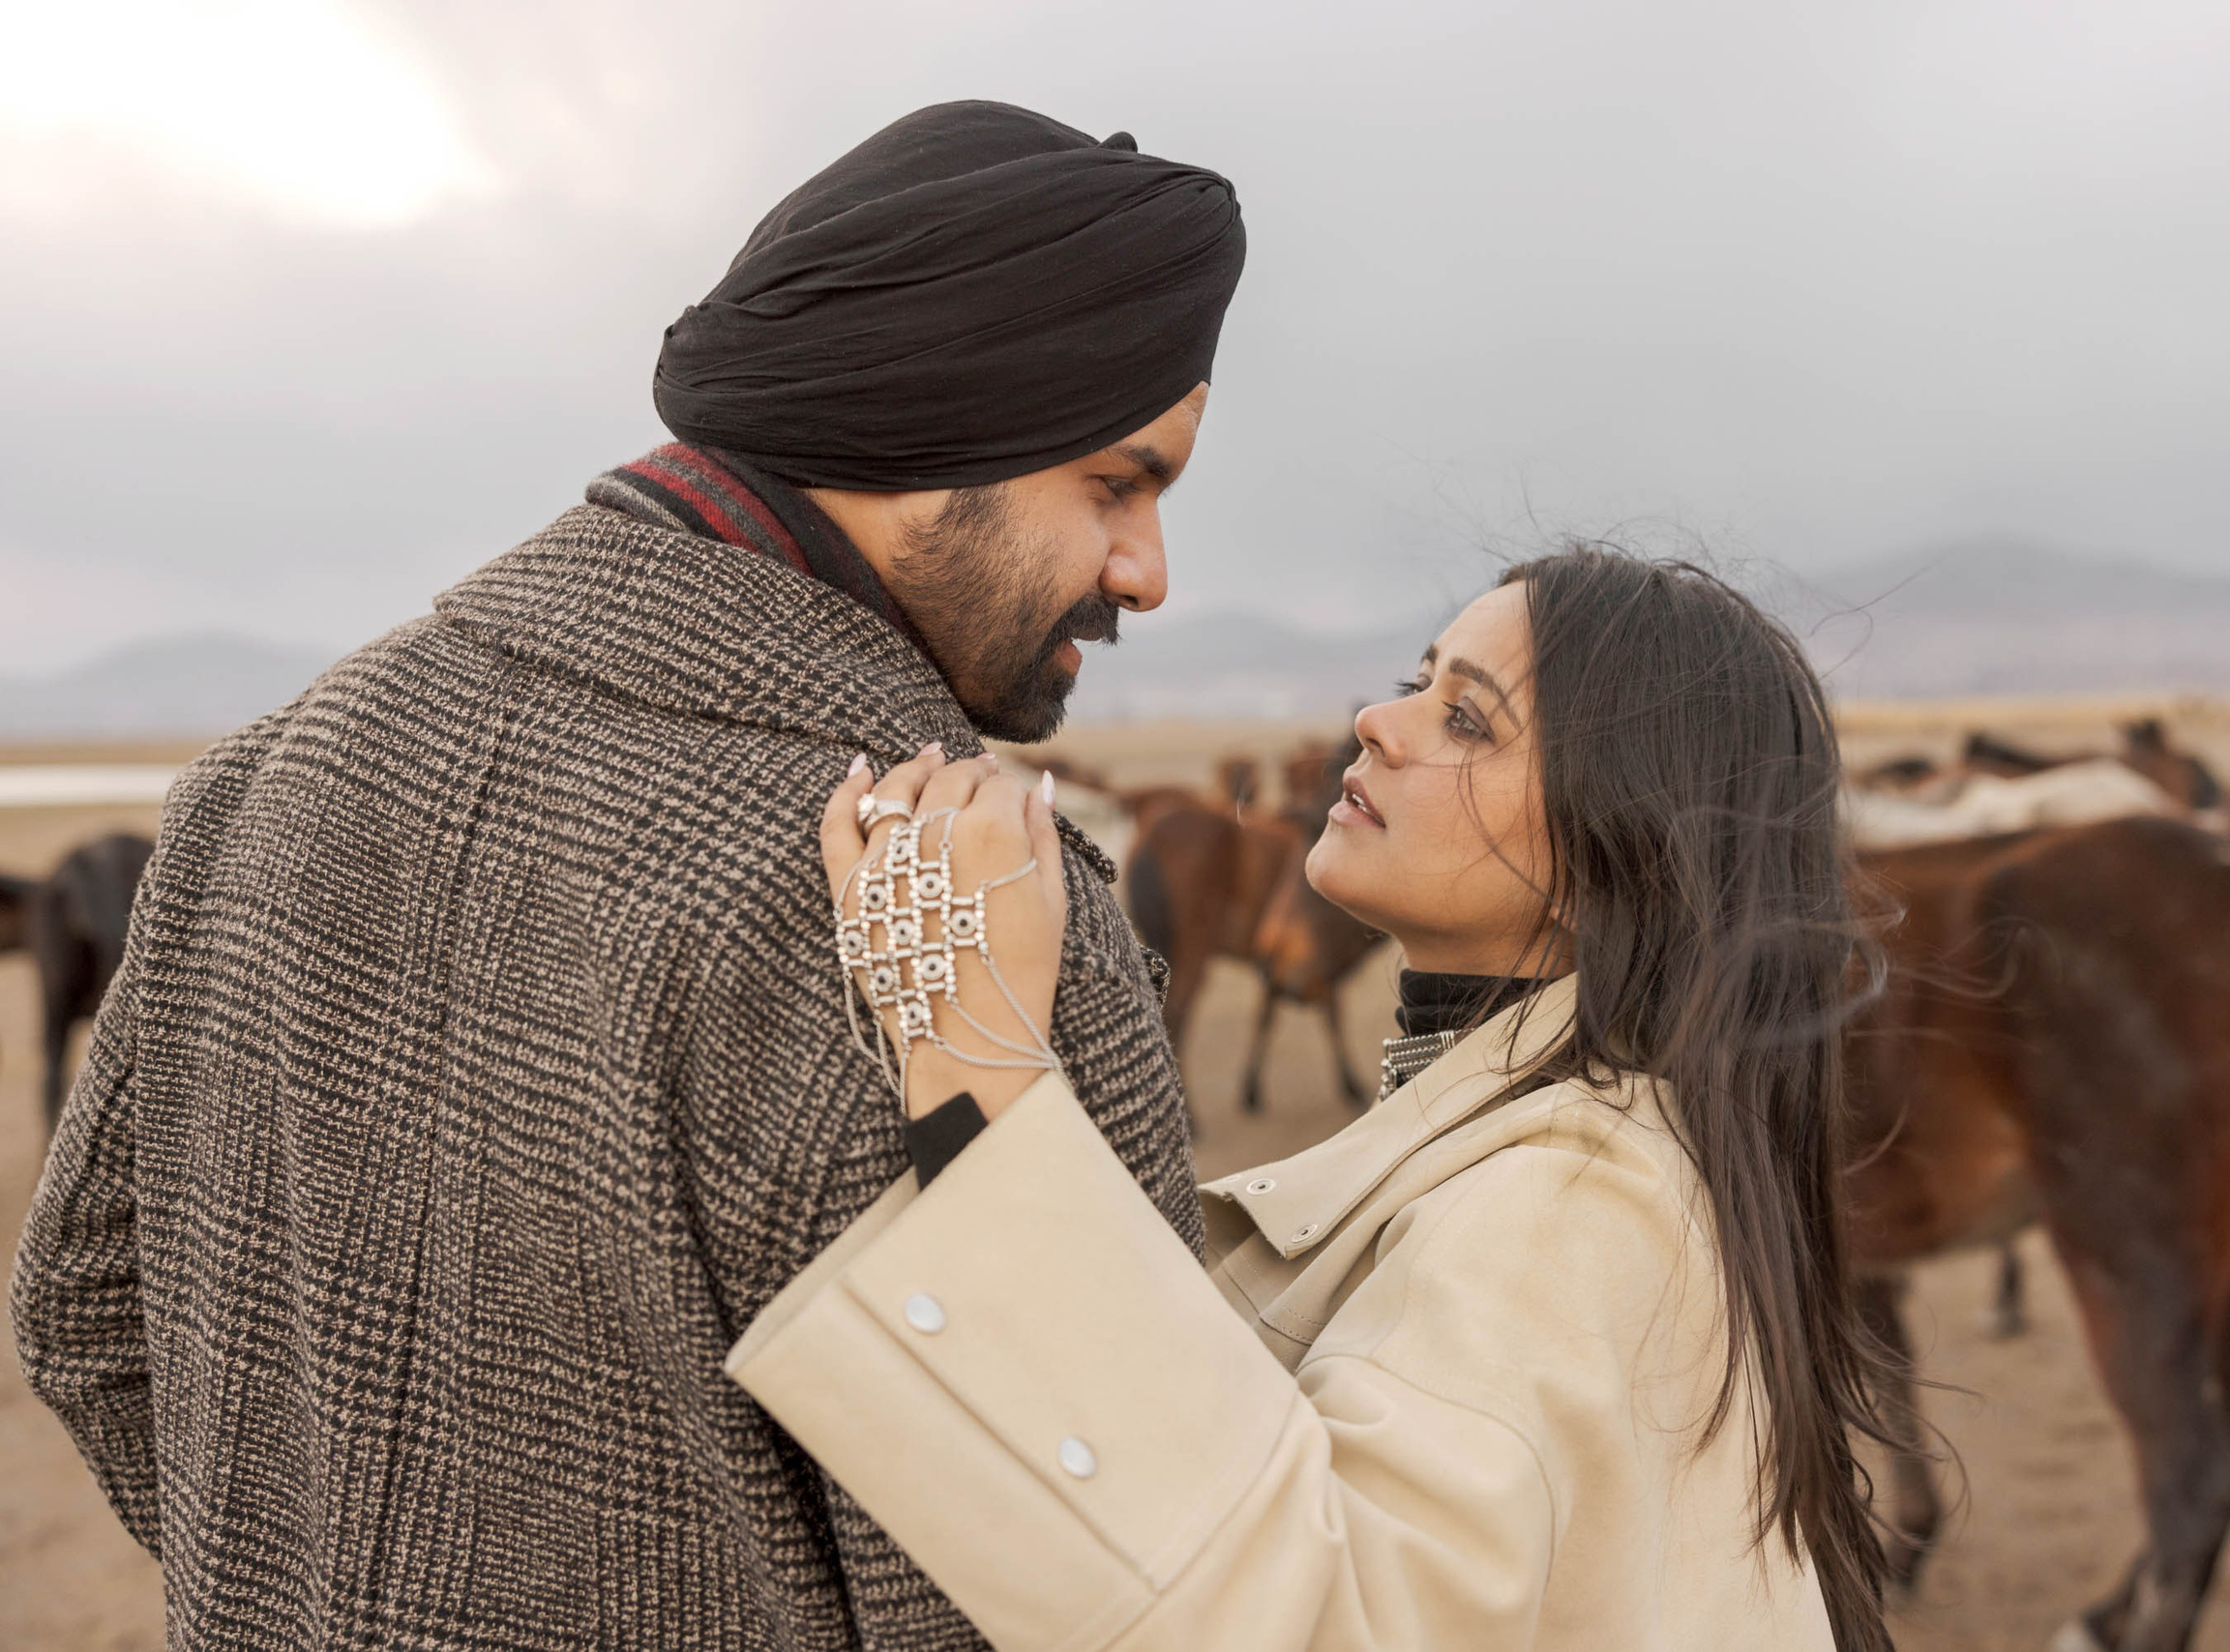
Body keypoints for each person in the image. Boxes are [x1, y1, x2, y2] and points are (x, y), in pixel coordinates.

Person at [13, 102, 1242, 1651]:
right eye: (1120, 486)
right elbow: (1092, 1584)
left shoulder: (264, 775)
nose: (1147, 572)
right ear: (936, 427)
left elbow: (79, 1314)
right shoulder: (955, 909)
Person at [735, 548, 1893, 1650]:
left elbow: (1328, 1621)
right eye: (1413, 681)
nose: (1374, 722)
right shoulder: (1587, 1140)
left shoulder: (1575, 1198)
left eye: (1465, 718)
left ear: (1618, 854)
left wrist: (973, 1064)